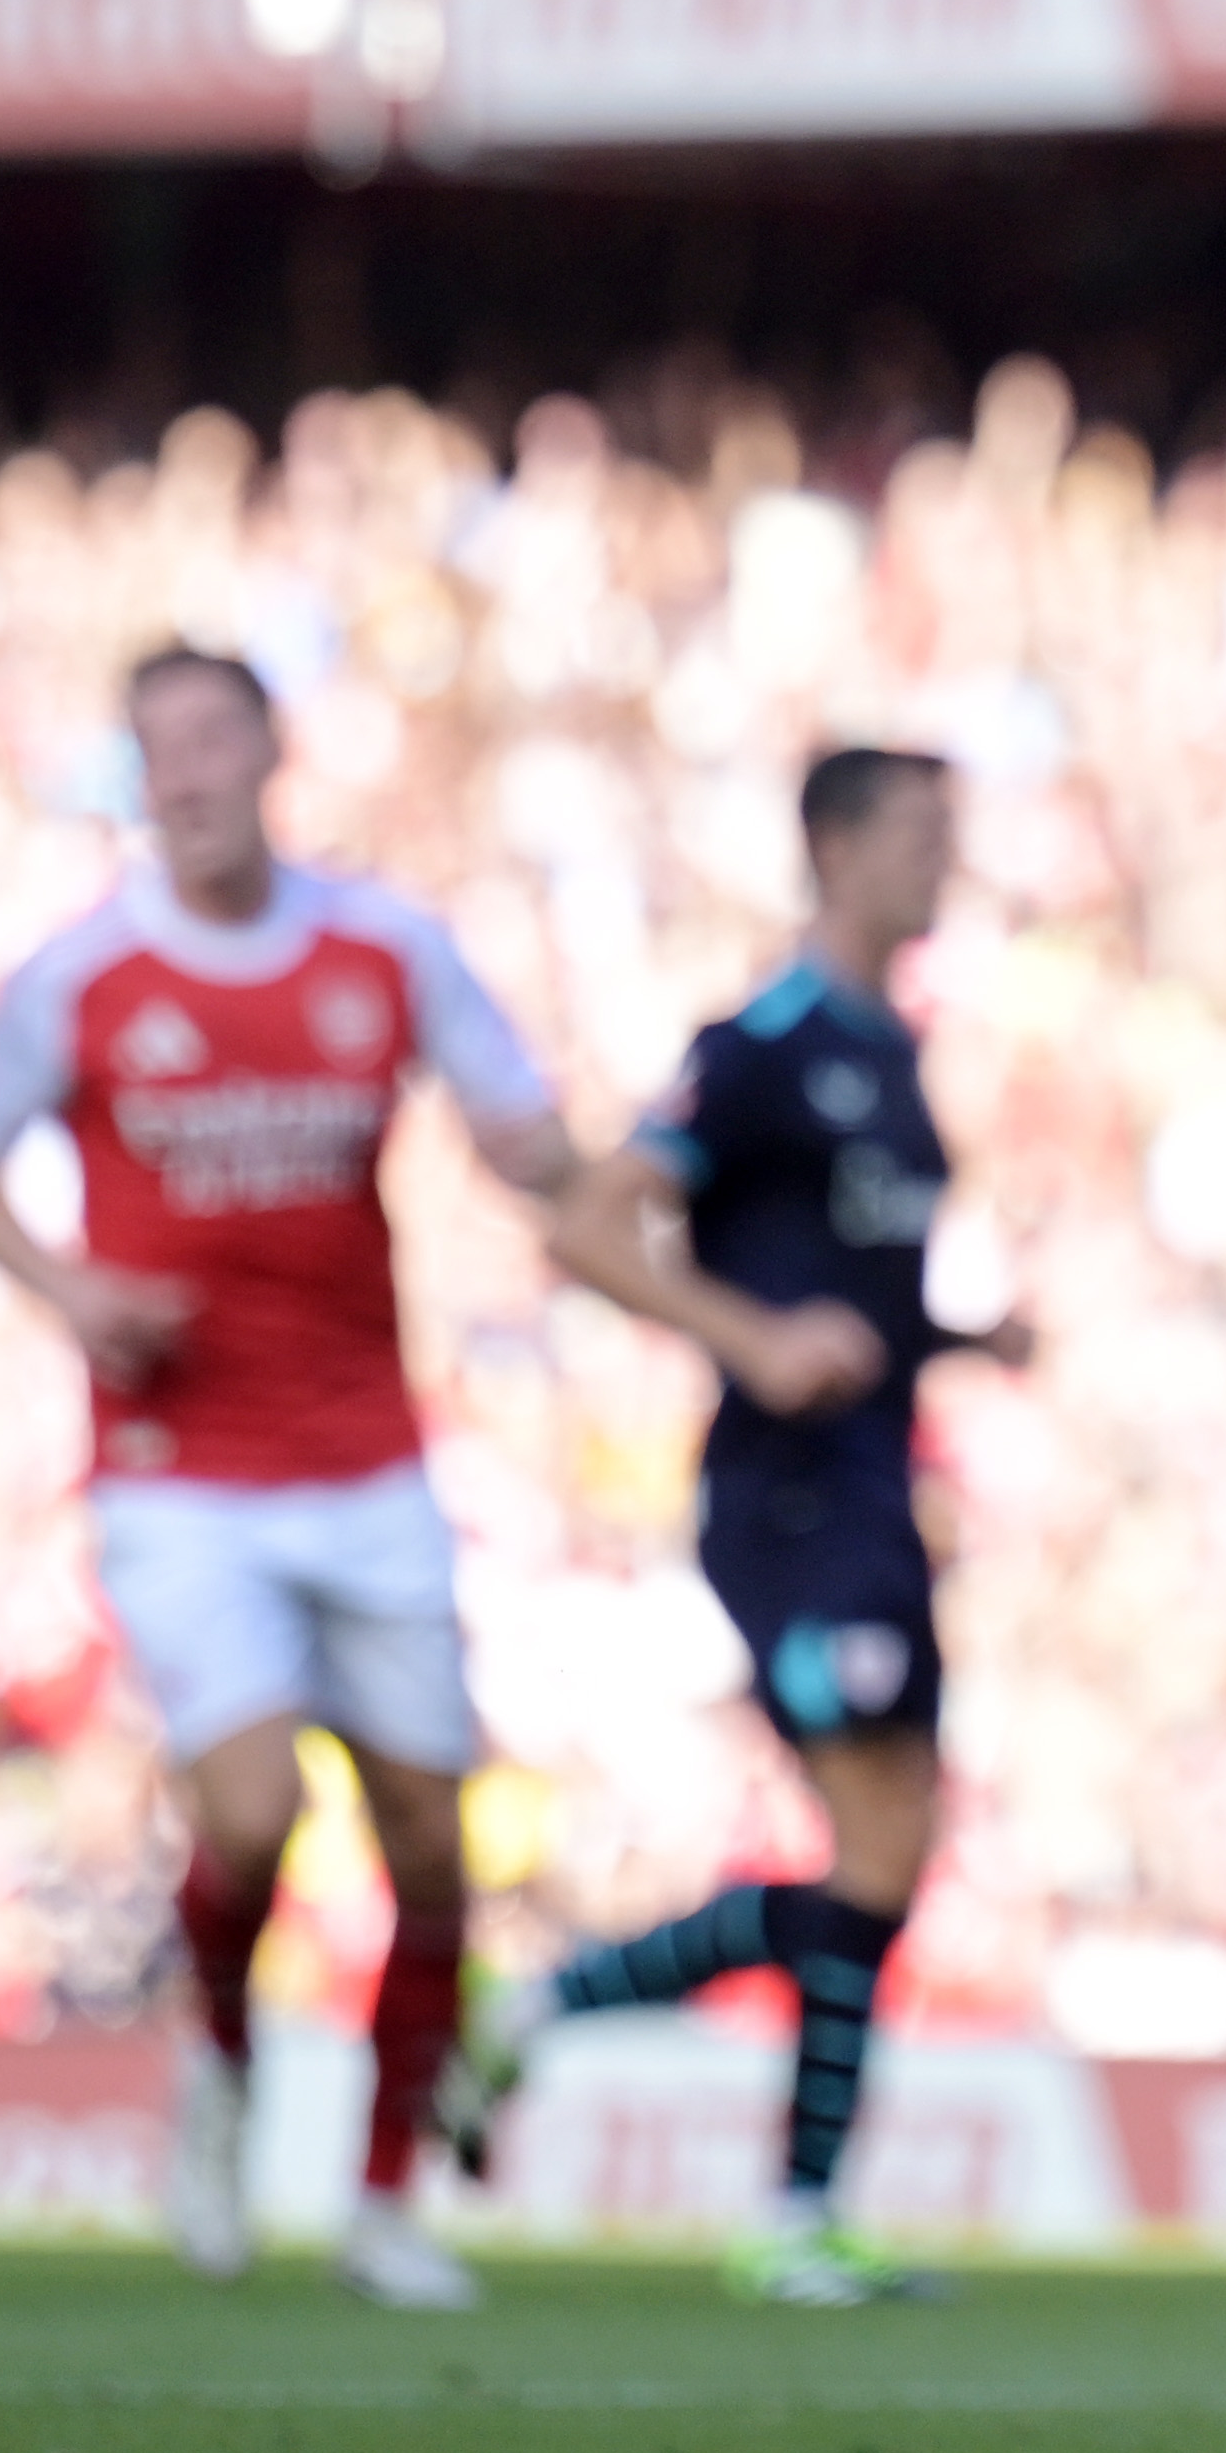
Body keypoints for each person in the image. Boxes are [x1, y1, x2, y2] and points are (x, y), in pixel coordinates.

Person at [0, 646, 577, 2310]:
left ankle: (380, 2199)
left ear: (273, 750)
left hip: (366, 1454)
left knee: (432, 1848)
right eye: (160, 749)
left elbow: (522, 1121)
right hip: (178, 1467)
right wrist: (69, 1287)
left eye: (216, 735)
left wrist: (575, 1175)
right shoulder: (78, 976)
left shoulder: (386, 946)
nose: (193, 772)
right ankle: (219, 2072)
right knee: (253, 1805)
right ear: (137, 780)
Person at [441, 745, 1024, 2302]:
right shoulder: (762, 1041)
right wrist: (745, 1336)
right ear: (832, 847)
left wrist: (964, 1342)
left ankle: (576, 2031)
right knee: (876, 1832)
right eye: (916, 832)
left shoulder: (889, 1052)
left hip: (873, 1493)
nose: (940, 860)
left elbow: (850, 1296)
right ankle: (771, 2195)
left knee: (891, 1846)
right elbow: (588, 1220)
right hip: (784, 1501)